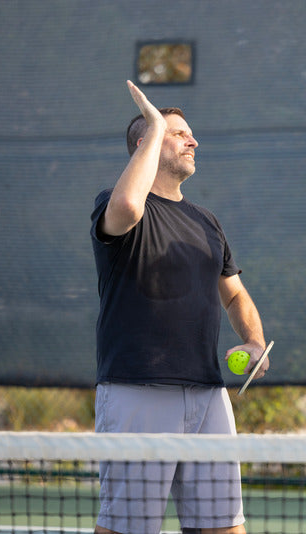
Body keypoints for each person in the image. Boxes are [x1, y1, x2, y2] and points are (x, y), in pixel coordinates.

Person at [90, 80, 269, 534]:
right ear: (143, 144)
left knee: (224, 527)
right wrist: (153, 124)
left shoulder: (207, 221)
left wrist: (254, 340)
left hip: (208, 395)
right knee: (127, 528)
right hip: (137, 389)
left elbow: (234, 294)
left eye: (190, 133)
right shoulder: (116, 205)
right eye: (177, 133)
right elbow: (129, 203)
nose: (193, 140)